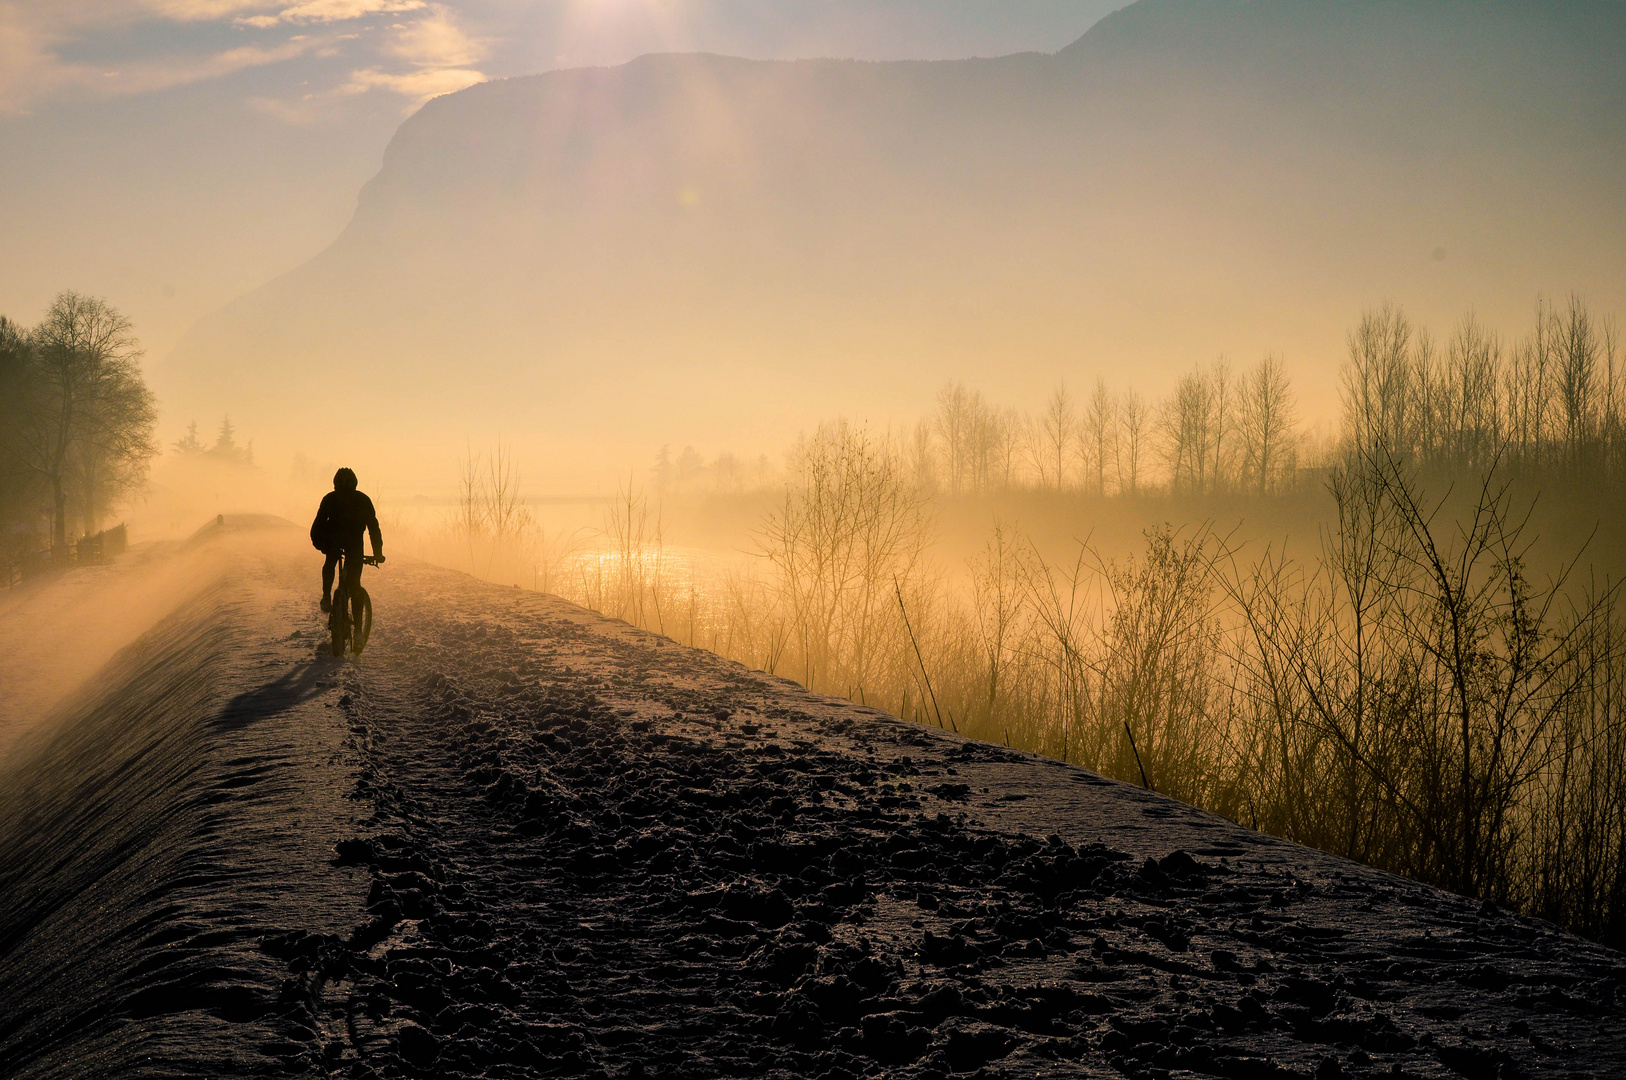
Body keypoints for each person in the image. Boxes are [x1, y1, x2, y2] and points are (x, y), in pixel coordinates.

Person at [311, 467, 384, 612]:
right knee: (355, 584)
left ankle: (326, 596)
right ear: (355, 483)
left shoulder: (330, 498)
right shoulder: (363, 499)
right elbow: (373, 529)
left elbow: (316, 527)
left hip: (333, 541)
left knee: (330, 562)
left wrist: (321, 546)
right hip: (355, 544)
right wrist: (378, 553)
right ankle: (357, 631)